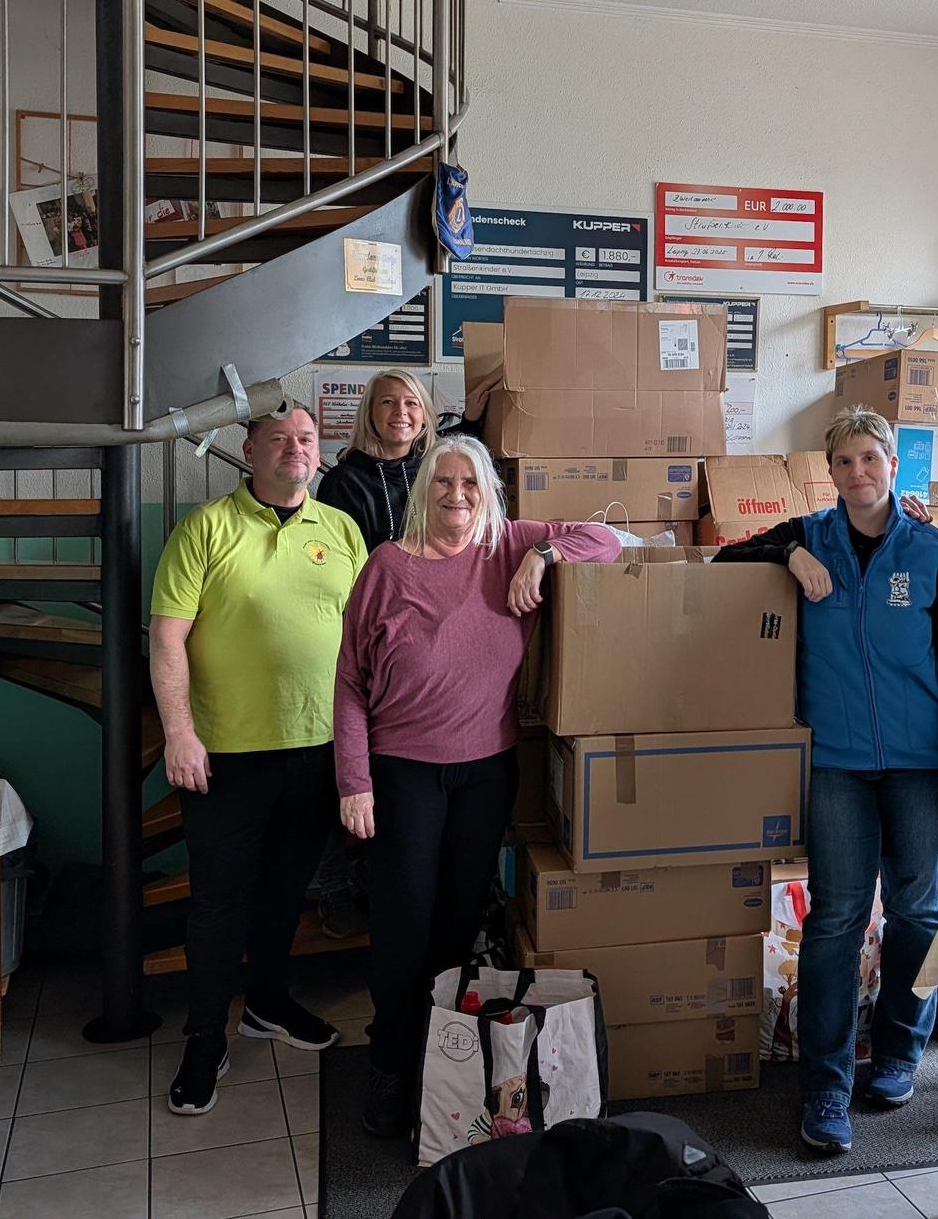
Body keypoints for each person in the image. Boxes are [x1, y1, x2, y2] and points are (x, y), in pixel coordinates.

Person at [332, 434, 622, 1138]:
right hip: (401, 773)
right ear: (422, 491)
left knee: (456, 929)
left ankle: (443, 1065)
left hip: (486, 772)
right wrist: (355, 780)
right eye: (442, 482)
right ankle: (390, 1063)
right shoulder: (386, 567)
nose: (456, 495)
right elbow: (347, 683)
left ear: (487, 492)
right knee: (401, 927)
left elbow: (611, 538)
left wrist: (544, 553)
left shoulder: (505, 546)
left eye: (469, 483)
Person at [714, 406, 938, 1156]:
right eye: (844, 461)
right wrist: (784, 556)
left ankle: (898, 1051)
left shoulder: (932, 549)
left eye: (871, 458)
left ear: (893, 465)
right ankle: (825, 1085)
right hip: (834, 762)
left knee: (917, 911)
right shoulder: (809, 535)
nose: (857, 473)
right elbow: (722, 563)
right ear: (827, 471)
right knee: (834, 919)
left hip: (920, 763)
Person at [148, 400, 368, 1116]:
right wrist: (178, 732)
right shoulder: (205, 528)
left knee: (287, 891)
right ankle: (205, 1035)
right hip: (226, 756)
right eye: (278, 439)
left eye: (305, 438)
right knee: (217, 902)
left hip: (317, 749)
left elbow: (368, 642)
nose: (295, 448)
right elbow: (167, 638)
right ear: (249, 452)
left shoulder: (339, 528)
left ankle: (267, 1002)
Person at [316, 367, 502, 550]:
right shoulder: (342, 483)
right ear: (370, 413)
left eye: (411, 403)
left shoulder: (435, 469)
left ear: (424, 417)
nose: (400, 411)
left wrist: (471, 419)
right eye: (388, 402)